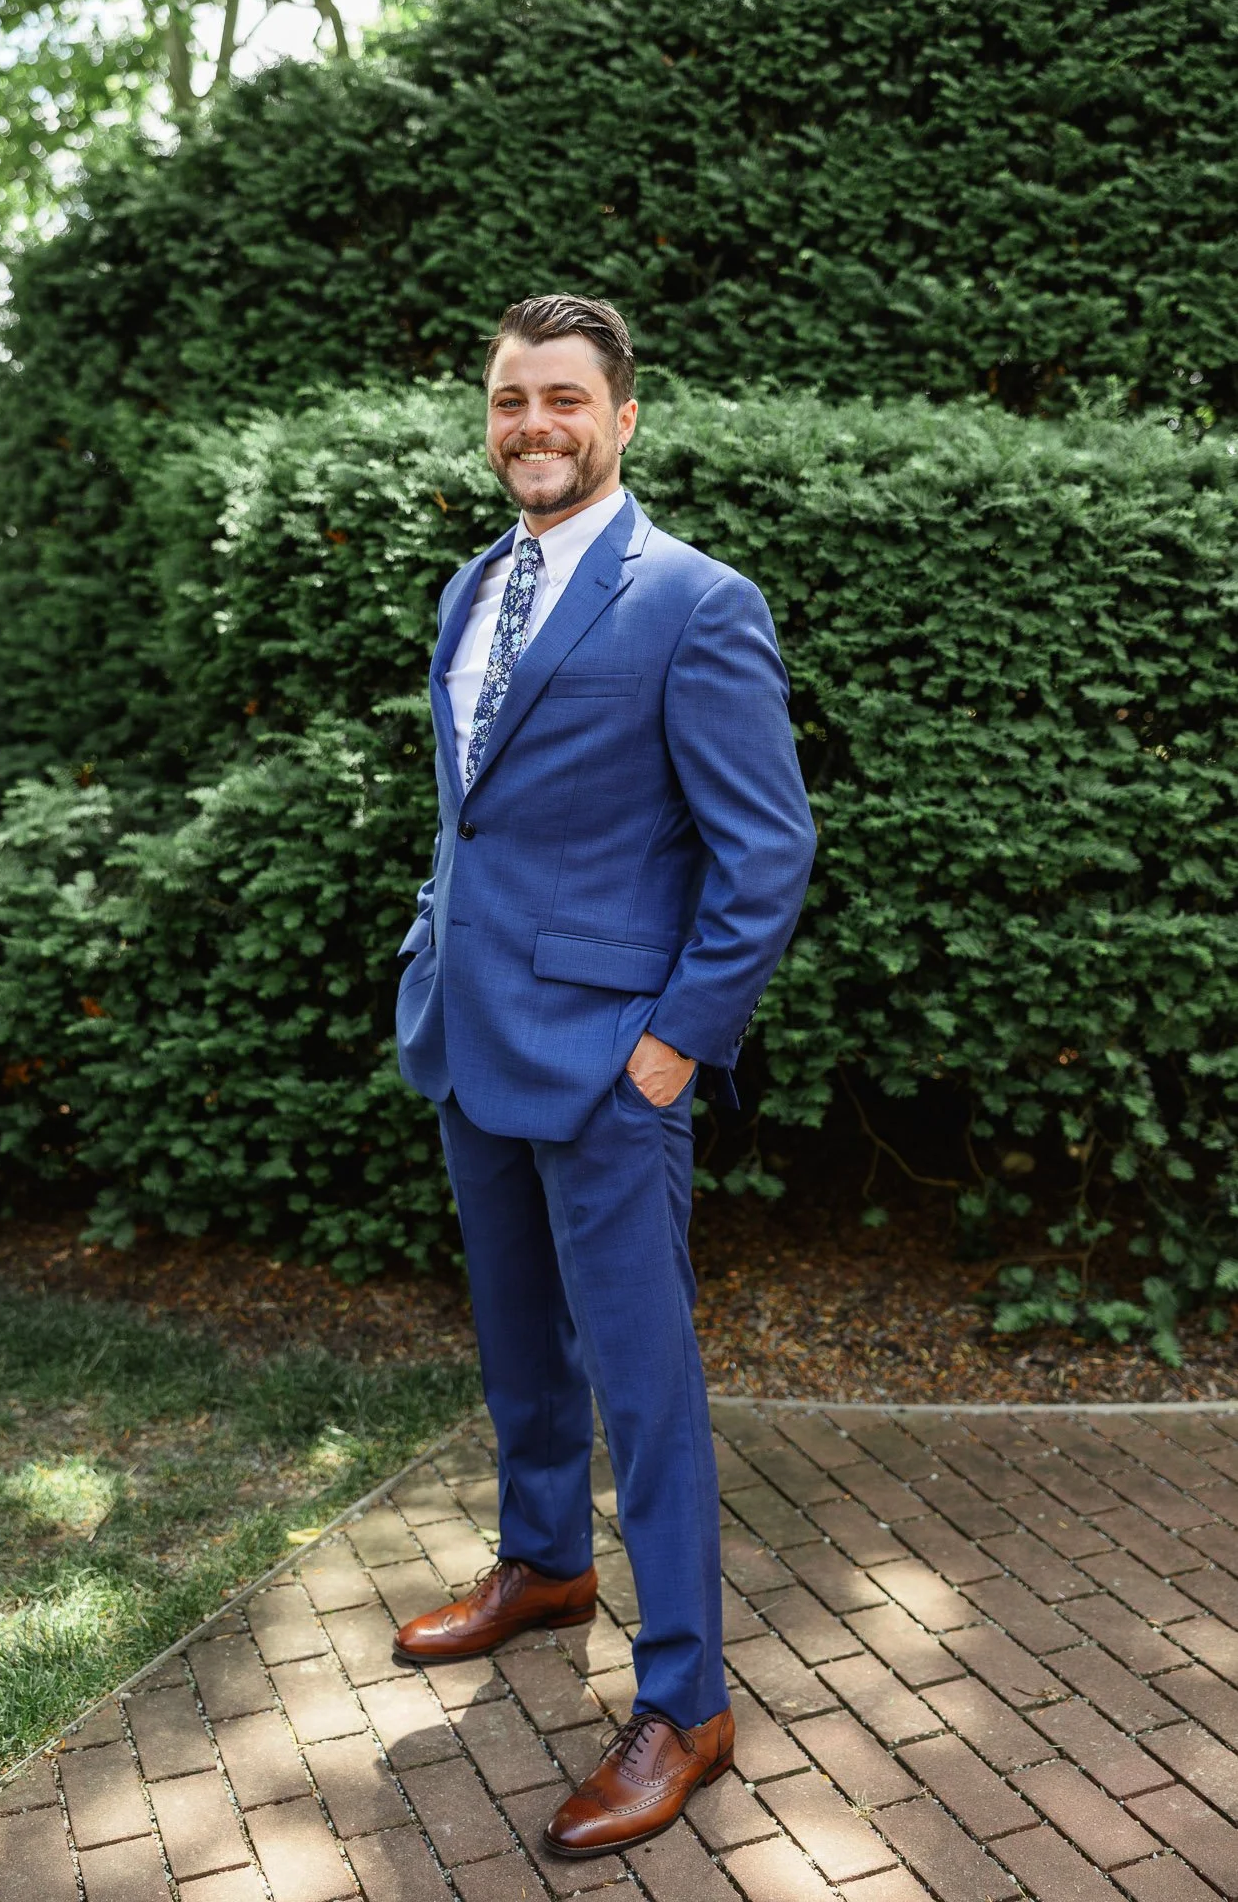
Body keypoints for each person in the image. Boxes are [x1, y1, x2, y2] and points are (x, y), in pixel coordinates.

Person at [392, 293, 815, 1857]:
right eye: (511, 400)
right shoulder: (471, 587)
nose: (534, 426)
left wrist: (673, 1043)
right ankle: (545, 1563)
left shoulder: (695, 603)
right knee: (518, 1342)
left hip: (609, 1066)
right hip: (470, 1034)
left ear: (623, 417)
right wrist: (432, 945)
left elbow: (765, 855)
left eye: (564, 398)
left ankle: (688, 1702)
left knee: (647, 1387)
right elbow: (473, 812)